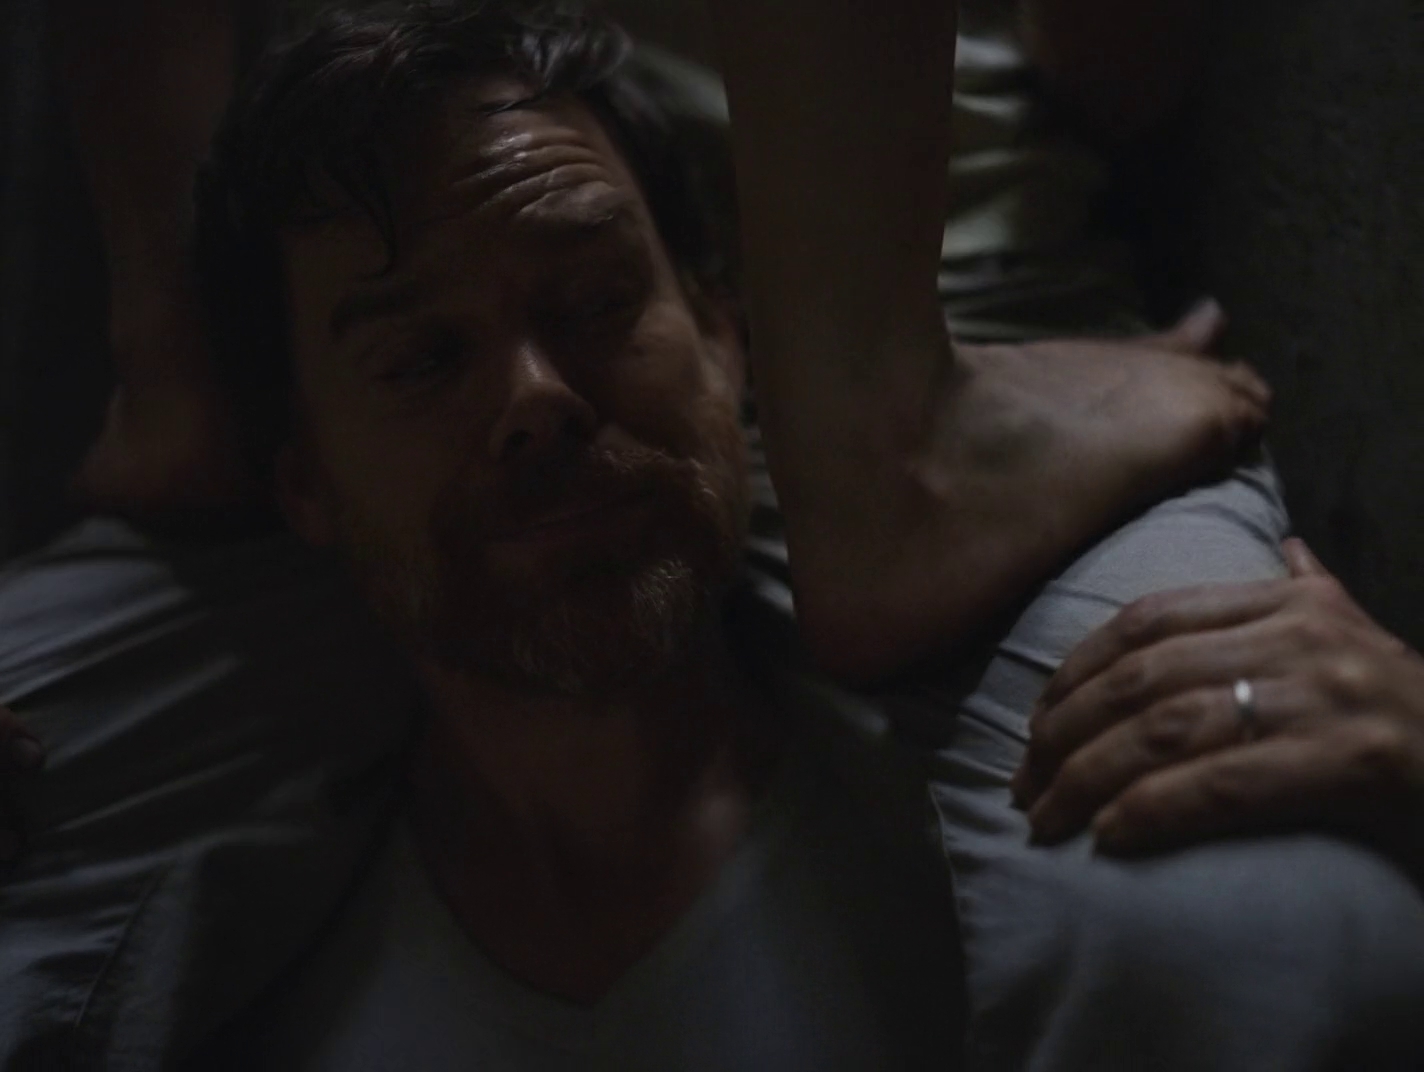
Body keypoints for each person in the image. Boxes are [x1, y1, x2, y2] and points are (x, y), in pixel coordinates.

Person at [1, 2, 1422, 1070]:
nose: (534, 403)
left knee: (1263, 937)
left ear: (725, 330)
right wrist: (170, 354)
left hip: (964, 310)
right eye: (427, 357)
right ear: (298, 477)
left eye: (593, 305)